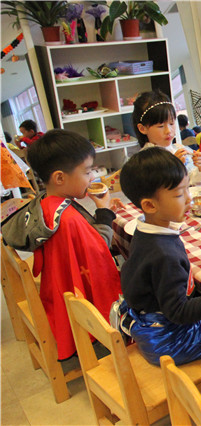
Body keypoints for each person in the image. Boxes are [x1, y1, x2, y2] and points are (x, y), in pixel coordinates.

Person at [1, 129, 121, 360]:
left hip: (57, 288)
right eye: (87, 171)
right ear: (59, 178)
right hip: (77, 298)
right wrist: (104, 213)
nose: (92, 178)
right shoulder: (67, 219)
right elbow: (99, 250)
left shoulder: (47, 202)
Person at [118, 147, 201, 365]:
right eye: (179, 194)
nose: (189, 199)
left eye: (188, 188)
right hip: (166, 340)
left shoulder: (146, 230)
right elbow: (179, 312)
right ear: (149, 205)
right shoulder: (163, 255)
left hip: (150, 321)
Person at [132, 91, 201, 186]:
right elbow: (156, 188)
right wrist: (173, 168)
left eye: (172, 124)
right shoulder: (144, 160)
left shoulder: (178, 148)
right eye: (160, 126)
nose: (168, 131)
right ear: (142, 128)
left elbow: (194, 182)